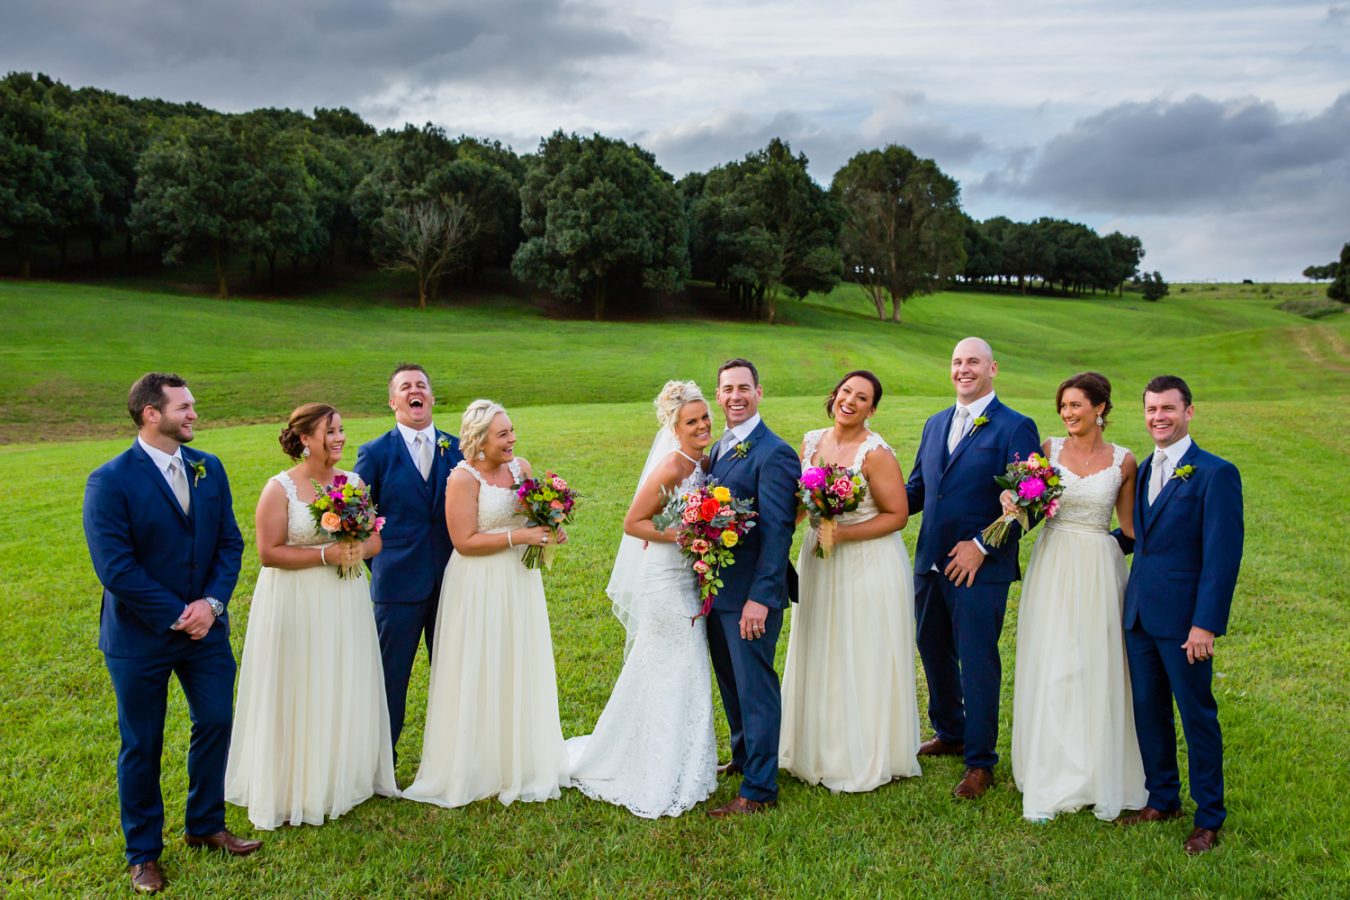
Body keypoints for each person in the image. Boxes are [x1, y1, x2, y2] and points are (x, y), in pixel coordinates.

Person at [82, 373, 260, 894]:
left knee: (217, 720)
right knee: (143, 742)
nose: (194, 414)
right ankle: (143, 854)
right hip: (140, 637)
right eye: (184, 407)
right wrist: (180, 613)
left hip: (207, 631)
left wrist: (211, 605)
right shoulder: (109, 480)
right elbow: (115, 567)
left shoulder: (209, 467)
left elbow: (229, 543)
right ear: (151, 414)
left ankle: (205, 824)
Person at [225, 403, 397, 829]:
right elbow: (268, 552)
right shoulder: (279, 488)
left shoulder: (354, 483)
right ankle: (295, 786)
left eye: (341, 430)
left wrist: (358, 548)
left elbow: (375, 540)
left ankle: (340, 775)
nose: (339, 438)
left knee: (340, 676)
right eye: (330, 431)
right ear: (304, 438)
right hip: (296, 599)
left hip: (344, 597)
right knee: (300, 681)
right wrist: (326, 554)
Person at [402, 400, 567, 808]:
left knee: (517, 660)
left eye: (512, 431)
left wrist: (550, 528)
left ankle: (520, 761)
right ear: (479, 440)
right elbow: (464, 541)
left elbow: (531, 520)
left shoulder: (521, 469)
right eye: (503, 434)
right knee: (480, 663)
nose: (513, 439)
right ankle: (476, 765)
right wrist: (521, 537)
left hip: (518, 582)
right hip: (477, 583)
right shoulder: (463, 477)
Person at [565, 381, 718, 818]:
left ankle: (685, 764)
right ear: (675, 427)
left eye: (705, 417)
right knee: (676, 667)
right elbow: (634, 522)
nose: (702, 426)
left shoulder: (704, 462)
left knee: (684, 669)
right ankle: (658, 770)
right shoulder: (672, 467)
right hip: (664, 580)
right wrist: (686, 535)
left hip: (689, 578)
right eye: (691, 421)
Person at [905, 337, 1041, 799]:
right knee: (931, 646)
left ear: (992, 368)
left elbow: (1031, 502)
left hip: (980, 568)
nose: (963, 369)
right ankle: (951, 731)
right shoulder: (935, 423)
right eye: (957, 362)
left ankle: (980, 762)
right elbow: (919, 490)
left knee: (977, 658)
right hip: (931, 561)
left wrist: (982, 545)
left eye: (973, 362)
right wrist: (861, 501)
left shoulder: (1015, 426)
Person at [1008, 373, 1147, 822]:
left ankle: (1095, 772)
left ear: (1100, 407)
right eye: (1063, 406)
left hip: (1100, 567)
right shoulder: (1048, 451)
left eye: (1076, 405)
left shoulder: (1125, 461)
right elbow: (1028, 511)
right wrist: (1012, 501)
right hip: (1054, 561)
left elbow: (1130, 528)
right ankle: (1051, 771)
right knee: (1055, 661)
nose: (1067, 413)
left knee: (1095, 662)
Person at [1116, 376, 1242, 855]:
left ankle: (1209, 817)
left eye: (1168, 408)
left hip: (1186, 622)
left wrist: (1205, 623)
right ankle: (1162, 798)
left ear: (1189, 411)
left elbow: (1221, 556)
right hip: (1140, 616)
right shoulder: (1146, 468)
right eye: (1151, 409)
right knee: (1149, 710)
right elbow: (1138, 536)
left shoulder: (1215, 473)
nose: (1159, 417)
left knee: (1196, 716)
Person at [780, 370, 922, 792]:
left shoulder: (876, 454)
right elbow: (800, 504)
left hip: (867, 561)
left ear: (871, 409)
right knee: (820, 643)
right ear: (835, 394)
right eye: (846, 391)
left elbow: (897, 515)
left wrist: (842, 533)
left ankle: (860, 752)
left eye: (862, 397)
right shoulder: (811, 442)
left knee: (859, 648)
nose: (850, 401)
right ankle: (816, 747)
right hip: (819, 559)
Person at [704, 358, 800, 817]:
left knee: (755, 688)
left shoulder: (774, 452)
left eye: (744, 388)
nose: (735, 396)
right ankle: (744, 758)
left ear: (759, 393)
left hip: (750, 597)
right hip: (718, 592)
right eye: (728, 389)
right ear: (718, 395)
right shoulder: (718, 447)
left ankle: (759, 789)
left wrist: (760, 598)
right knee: (731, 683)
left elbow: (779, 531)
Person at [353, 363, 463, 766]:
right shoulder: (375, 453)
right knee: (389, 679)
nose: (414, 391)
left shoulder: (458, 448)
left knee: (454, 675)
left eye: (421, 385)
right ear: (393, 401)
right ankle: (379, 763)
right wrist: (382, 562)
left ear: (431, 396)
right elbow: (356, 518)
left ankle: (453, 758)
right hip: (397, 584)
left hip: (453, 581)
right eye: (405, 387)